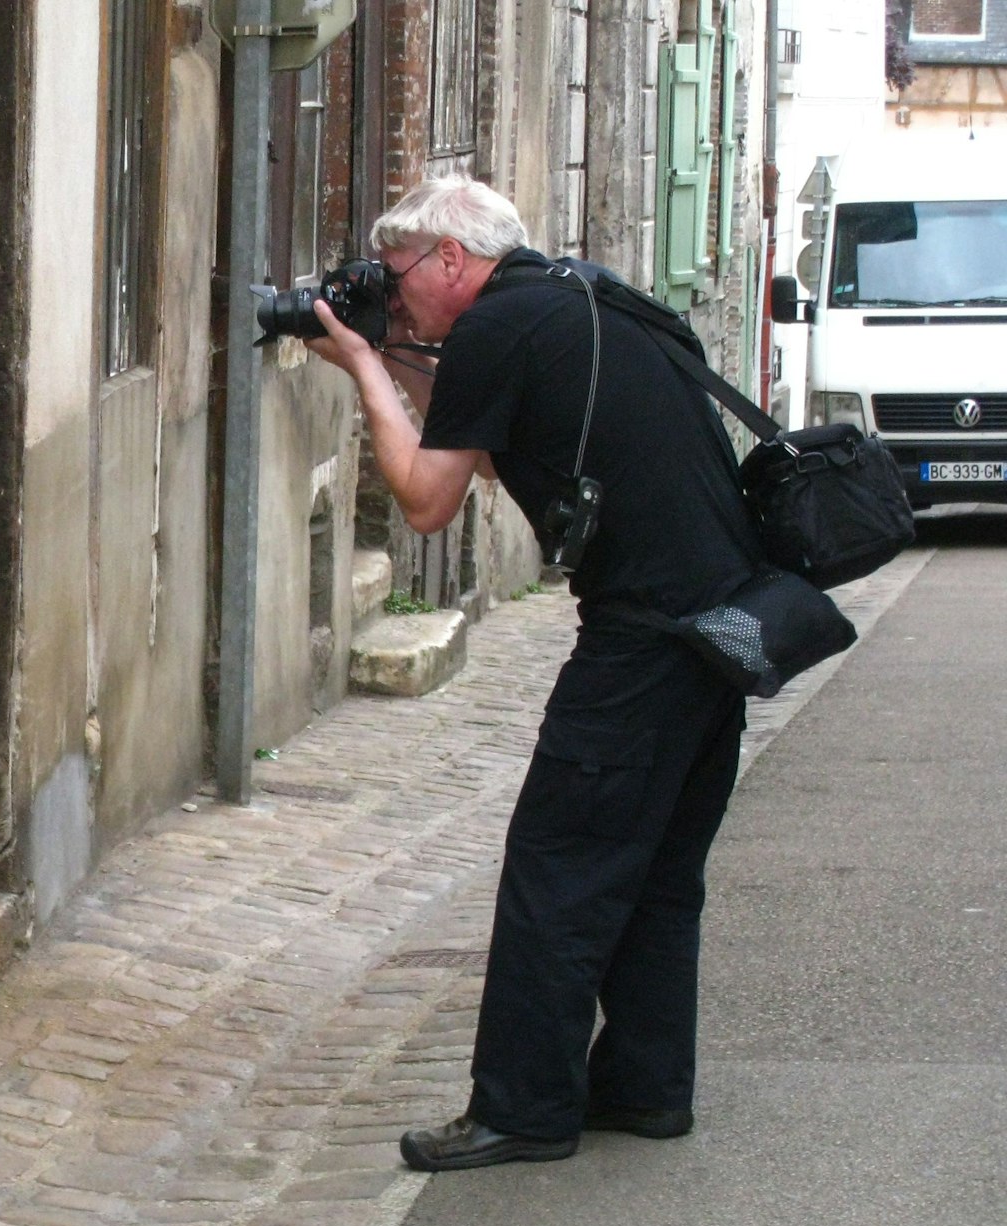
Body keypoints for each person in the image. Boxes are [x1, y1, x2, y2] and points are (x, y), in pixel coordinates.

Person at [305, 176, 763, 1171]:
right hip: (724, 628)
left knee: (556, 865)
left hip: (641, 641)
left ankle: (522, 1106)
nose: (396, 297)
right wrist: (387, 356)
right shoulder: (574, 300)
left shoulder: (498, 328)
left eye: (398, 277)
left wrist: (357, 361)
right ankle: (644, 1087)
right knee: (650, 874)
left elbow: (427, 495)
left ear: (450, 262)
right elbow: (469, 429)